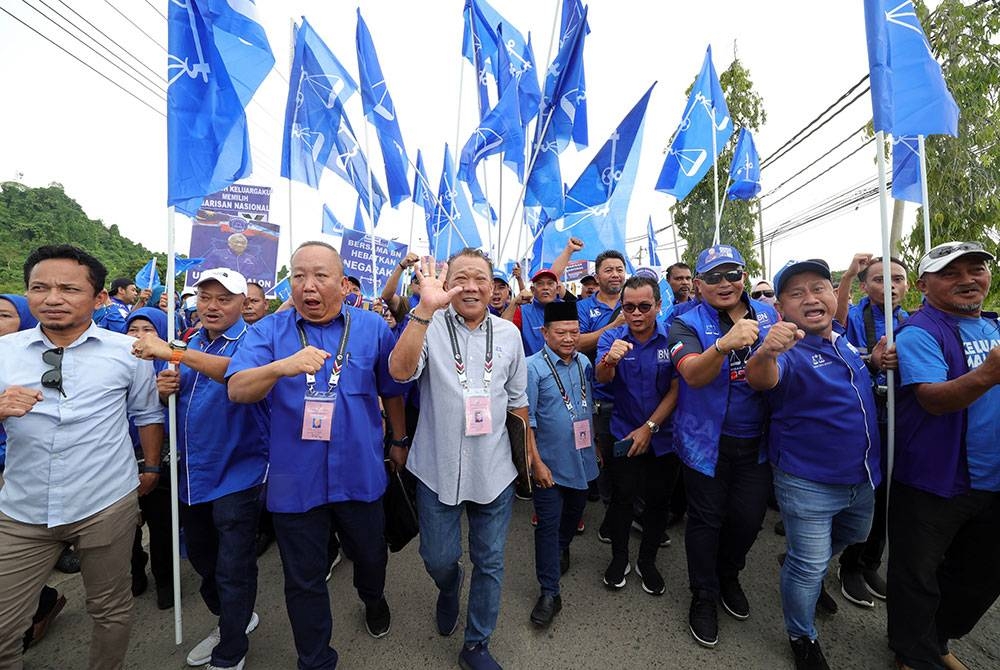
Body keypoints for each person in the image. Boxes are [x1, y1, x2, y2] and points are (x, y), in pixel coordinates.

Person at [227, 242, 407, 670]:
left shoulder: (371, 328)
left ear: (343, 284)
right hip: (295, 480)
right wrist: (279, 368)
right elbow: (237, 389)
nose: (308, 285)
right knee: (303, 580)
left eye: (320, 276)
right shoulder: (268, 332)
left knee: (371, 555)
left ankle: (373, 597)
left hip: (359, 473)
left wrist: (399, 440)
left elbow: (392, 389)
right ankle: (315, 658)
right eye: (298, 275)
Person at [0, 244, 164, 670]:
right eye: (40, 288)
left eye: (68, 289)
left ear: (99, 298)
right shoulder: (4, 352)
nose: (52, 298)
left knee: (110, 609)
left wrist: (149, 467)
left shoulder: (128, 352)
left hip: (104, 503)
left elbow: (146, 413)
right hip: (22, 511)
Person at [388, 249, 534, 670]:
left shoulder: (508, 334)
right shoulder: (428, 324)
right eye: (461, 278)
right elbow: (399, 374)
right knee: (437, 558)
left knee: (490, 562)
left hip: (495, 470)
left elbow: (519, 404)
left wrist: (530, 459)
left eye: (481, 279)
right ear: (447, 282)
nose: (471, 286)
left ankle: (476, 644)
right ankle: (449, 587)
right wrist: (423, 311)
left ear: (493, 287)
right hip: (437, 468)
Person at [746, 259, 884, 670]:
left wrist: (873, 362)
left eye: (819, 288)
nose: (811, 298)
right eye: (796, 293)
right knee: (809, 567)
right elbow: (761, 377)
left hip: (863, 478)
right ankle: (801, 635)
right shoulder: (785, 349)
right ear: (781, 308)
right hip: (808, 481)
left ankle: (803, 563)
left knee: (851, 536)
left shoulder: (842, 340)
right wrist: (766, 351)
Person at [133, 268, 269, 670]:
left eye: (223, 299)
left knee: (232, 566)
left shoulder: (255, 340)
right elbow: (176, 401)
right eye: (205, 298)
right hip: (193, 474)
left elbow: (233, 373)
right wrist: (164, 392)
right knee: (204, 561)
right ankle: (234, 620)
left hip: (238, 472)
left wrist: (172, 352)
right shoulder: (189, 340)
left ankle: (230, 651)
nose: (211, 306)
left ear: (243, 304)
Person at [888, 241, 1000, 670]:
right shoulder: (920, 331)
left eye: (976, 270)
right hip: (937, 478)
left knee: (980, 575)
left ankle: (935, 640)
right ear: (923, 285)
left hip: (991, 479)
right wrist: (987, 374)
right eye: (951, 273)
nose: (968, 280)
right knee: (916, 576)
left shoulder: (992, 325)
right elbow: (933, 400)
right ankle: (913, 656)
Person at [667, 244, 778, 649]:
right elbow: (692, 375)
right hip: (704, 443)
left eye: (732, 274)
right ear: (698, 285)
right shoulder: (683, 321)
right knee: (705, 521)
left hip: (758, 443)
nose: (725, 283)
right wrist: (723, 344)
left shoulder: (768, 314)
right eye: (713, 277)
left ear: (745, 277)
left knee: (748, 521)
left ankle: (729, 574)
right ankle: (704, 594)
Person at [595, 276, 680, 595]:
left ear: (658, 306)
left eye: (645, 306)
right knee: (621, 500)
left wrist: (651, 428)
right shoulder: (612, 337)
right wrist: (610, 359)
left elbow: (676, 389)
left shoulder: (672, 337)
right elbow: (602, 378)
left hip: (664, 436)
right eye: (629, 307)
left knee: (658, 503)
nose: (637, 314)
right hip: (623, 433)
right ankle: (619, 558)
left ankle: (648, 561)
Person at [834, 253, 909, 607]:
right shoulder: (853, 319)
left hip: (902, 422)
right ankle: (846, 565)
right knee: (864, 497)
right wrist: (872, 361)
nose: (890, 286)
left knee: (890, 499)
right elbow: (834, 354)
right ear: (865, 286)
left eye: (897, 278)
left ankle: (869, 563)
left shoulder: (912, 321)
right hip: (864, 422)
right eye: (880, 279)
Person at [0, 294, 68, 651]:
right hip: (18, 496)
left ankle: (41, 603)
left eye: (4, 316)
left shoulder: (109, 354)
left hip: (82, 494)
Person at [525, 301, 598, 627]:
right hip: (549, 466)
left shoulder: (583, 362)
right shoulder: (532, 368)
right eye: (561, 332)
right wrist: (535, 463)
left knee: (573, 516)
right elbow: (526, 422)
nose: (569, 338)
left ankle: (562, 547)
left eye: (574, 331)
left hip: (582, 460)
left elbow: (585, 408)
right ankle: (549, 593)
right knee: (548, 526)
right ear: (545, 333)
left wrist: (594, 446)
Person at [123, 308, 175, 611]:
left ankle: (165, 579)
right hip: (119, 454)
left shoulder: (173, 363)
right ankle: (135, 569)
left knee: (160, 521)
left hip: (161, 453)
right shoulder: (112, 364)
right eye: (133, 329)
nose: (140, 335)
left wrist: (167, 394)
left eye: (148, 329)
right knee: (125, 522)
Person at [503, 269, 561, 356]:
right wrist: (514, 302)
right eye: (540, 284)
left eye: (550, 283)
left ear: (557, 289)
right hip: (531, 368)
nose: (545, 287)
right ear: (533, 290)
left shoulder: (567, 308)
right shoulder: (523, 311)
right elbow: (503, 331)